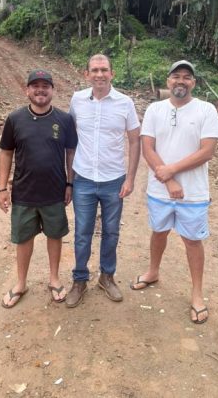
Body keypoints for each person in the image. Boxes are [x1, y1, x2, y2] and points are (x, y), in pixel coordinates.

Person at [131, 60, 218, 325]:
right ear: (168, 81)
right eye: (176, 76)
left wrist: (171, 170)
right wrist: (169, 180)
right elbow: (148, 148)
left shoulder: (206, 110)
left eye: (186, 77)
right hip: (159, 191)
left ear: (193, 83)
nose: (181, 81)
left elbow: (207, 151)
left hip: (193, 193)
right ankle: (153, 272)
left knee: (192, 241)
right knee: (158, 232)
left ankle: (197, 294)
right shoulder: (154, 109)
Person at [65, 54, 141, 308]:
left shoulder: (125, 103)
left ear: (112, 74)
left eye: (104, 70)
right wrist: (69, 179)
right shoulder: (77, 100)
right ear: (86, 74)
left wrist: (130, 178)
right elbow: (71, 141)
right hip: (84, 179)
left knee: (111, 231)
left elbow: (135, 141)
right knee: (82, 233)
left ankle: (107, 277)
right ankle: (79, 280)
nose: (100, 74)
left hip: (113, 180)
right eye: (95, 70)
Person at [0, 69, 77, 308]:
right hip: (24, 192)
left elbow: (70, 153)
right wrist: (2, 188)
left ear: (52, 90)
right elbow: (6, 153)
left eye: (45, 86)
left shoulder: (64, 120)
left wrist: (70, 183)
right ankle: (21, 283)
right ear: (27, 90)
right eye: (35, 86)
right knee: (23, 238)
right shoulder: (15, 119)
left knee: (55, 235)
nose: (40, 90)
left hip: (54, 192)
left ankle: (54, 279)